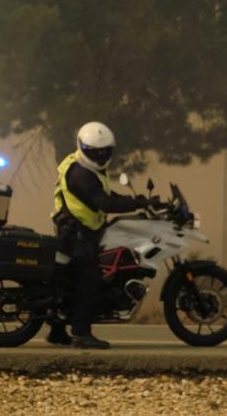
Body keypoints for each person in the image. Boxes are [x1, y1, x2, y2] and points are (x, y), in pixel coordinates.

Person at [48, 121, 148, 350]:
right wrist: (134, 204)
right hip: (76, 232)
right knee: (90, 278)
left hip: (80, 228)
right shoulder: (79, 173)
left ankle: (56, 330)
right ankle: (81, 334)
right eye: (95, 152)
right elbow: (102, 201)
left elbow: (104, 193)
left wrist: (136, 201)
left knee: (69, 282)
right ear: (82, 147)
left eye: (105, 152)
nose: (101, 155)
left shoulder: (88, 169)